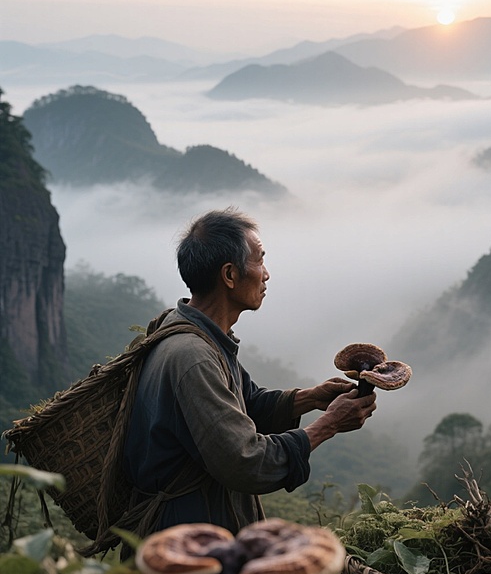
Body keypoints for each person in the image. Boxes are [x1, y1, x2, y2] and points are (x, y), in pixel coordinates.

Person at [122, 207, 376, 540]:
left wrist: (310, 398)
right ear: (230, 275)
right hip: (189, 541)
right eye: (259, 261)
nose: (266, 274)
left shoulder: (196, 333)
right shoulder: (193, 356)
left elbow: (246, 402)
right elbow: (245, 461)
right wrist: (328, 424)